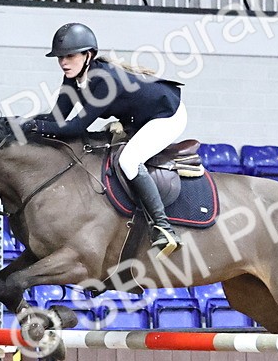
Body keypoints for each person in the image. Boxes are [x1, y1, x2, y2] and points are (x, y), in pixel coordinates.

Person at [21, 22, 186, 257]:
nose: (63, 62)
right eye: (59, 57)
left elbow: (75, 127)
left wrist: (36, 126)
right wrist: (20, 123)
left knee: (128, 161)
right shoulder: (73, 78)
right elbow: (56, 118)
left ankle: (164, 227)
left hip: (167, 115)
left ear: (88, 55)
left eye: (69, 56)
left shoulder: (104, 81)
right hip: (139, 117)